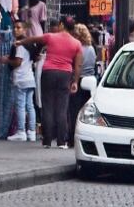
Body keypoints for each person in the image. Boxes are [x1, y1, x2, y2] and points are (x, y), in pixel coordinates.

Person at [16, 16, 83, 149]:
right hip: (65, 74)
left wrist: (20, 42)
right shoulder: (76, 44)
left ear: (62, 25)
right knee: (62, 108)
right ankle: (61, 142)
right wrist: (75, 81)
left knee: (47, 106)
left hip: (48, 72)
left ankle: (47, 140)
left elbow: (34, 39)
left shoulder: (51, 37)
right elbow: (78, 66)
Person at [1, 20, 36, 142]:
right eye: (14, 27)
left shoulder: (19, 45)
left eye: (19, 27)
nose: (16, 30)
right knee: (30, 106)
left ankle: (21, 131)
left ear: (24, 30)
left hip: (21, 78)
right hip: (30, 78)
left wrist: (7, 60)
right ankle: (31, 131)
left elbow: (17, 62)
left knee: (21, 106)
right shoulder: (30, 45)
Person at [67, 23, 97, 144]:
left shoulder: (77, 49)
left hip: (79, 80)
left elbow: (76, 65)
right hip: (90, 81)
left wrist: (74, 80)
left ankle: (72, 137)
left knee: (74, 110)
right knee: (86, 111)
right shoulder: (91, 48)